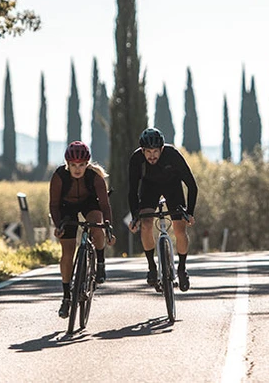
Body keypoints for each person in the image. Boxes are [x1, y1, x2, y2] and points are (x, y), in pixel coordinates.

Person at [127, 127, 198, 291]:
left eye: (156, 152)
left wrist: (190, 213)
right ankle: (152, 267)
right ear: (143, 151)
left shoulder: (172, 155)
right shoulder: (136, 159)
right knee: (146, 224)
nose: (152, 156)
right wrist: (134, 216)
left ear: (162, 149)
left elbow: (192, 186)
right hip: (149, 188)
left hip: (172, 187)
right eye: (148, 152)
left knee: (180, 229)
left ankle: (181, 268)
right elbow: (132, 190)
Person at [49, 141, 115, 318]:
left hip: (90, 203)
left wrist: (108, 226)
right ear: (67, 164)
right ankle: (66, 297)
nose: (77, 169)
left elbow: (105, 205)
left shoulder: (95, 177)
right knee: (67, 251)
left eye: (81, 165)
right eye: (73, 165)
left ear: (87, 164)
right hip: (66, 207)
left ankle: (100, 263)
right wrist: (59, 225)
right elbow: (54, 205)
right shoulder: (59, 176)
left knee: (96, 226)